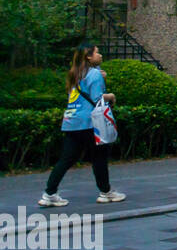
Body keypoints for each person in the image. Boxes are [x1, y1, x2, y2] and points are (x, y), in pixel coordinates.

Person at [40, 42, 125, 207]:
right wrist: (111, 96)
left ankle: (49, 193)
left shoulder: (74, 74)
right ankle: (106, 193)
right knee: (99, 157)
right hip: (90, 122)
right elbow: (97, 98)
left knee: (65, 159)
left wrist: (101, 77)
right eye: (97, 52)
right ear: (89, 56)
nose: (100, 55)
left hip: (71, 122)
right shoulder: (94, 74)